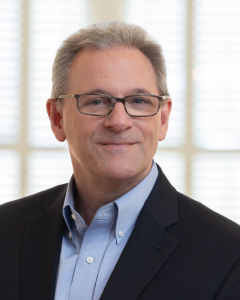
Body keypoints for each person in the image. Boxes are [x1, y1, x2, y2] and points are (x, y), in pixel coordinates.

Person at [1, 22, 240, 300]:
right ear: (57, 119)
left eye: (139, 100)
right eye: (96, 102)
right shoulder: (6, 232)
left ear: (162, 119)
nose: (119, 121)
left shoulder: (228, 256)